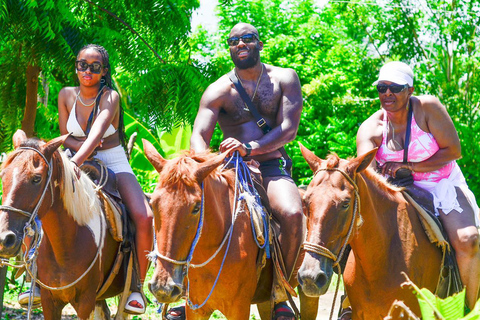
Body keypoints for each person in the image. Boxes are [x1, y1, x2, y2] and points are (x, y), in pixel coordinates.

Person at [166, 23, 305, 320]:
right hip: (228, 167)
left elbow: (288, 128)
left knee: (293, 213)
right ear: (229, 48)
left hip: (270, 165)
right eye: (234, 41)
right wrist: (202, 164)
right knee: (182, 209)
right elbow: (199, 136)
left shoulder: (284, 78)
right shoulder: (218, 89)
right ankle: (186, 288)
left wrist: (251, 147)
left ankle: (282, 289)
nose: (240, 44)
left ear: (260, 43)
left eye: (247, 39)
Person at [19, 44, 153, 314]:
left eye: (94, 66)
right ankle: (32, 276)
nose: (87, 71)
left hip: (111, 158)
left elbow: (96, 136)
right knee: (33, 204)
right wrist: (72, 158)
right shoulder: (66, 94)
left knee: (144, 216)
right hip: (71, 157)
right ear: (76, 67)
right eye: (82, 64)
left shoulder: (110, 97)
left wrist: (75, 162)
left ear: (104, 71)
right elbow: (63, 133)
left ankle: (136, 286)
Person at [356, 61, 480, 311]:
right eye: (382, 88)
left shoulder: (428, 108)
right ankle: (349, 302)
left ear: (410, 89)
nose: (387, 93)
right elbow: (364, 173)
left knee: (468, 240)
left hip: (441, 185)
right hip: (395, 192)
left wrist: (412, 167)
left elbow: (454, 151)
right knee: (356, 235)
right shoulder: (372, 128)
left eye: (395, 87)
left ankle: (469, 309)